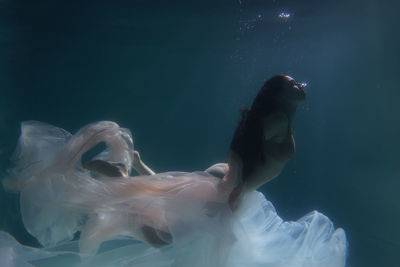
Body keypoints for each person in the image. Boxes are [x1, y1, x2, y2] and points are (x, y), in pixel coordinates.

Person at [0, 75, 347, 267]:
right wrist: (238, 184)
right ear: (277, 93)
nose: (301, 85)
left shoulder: (277, 118)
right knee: (163, 236)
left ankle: (130, 170)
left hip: (230, 187)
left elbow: (245, 147)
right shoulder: (273, 119)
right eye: (292, 84)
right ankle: (123, 177)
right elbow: (243, 148)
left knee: (168, 221)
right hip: (229, 189)